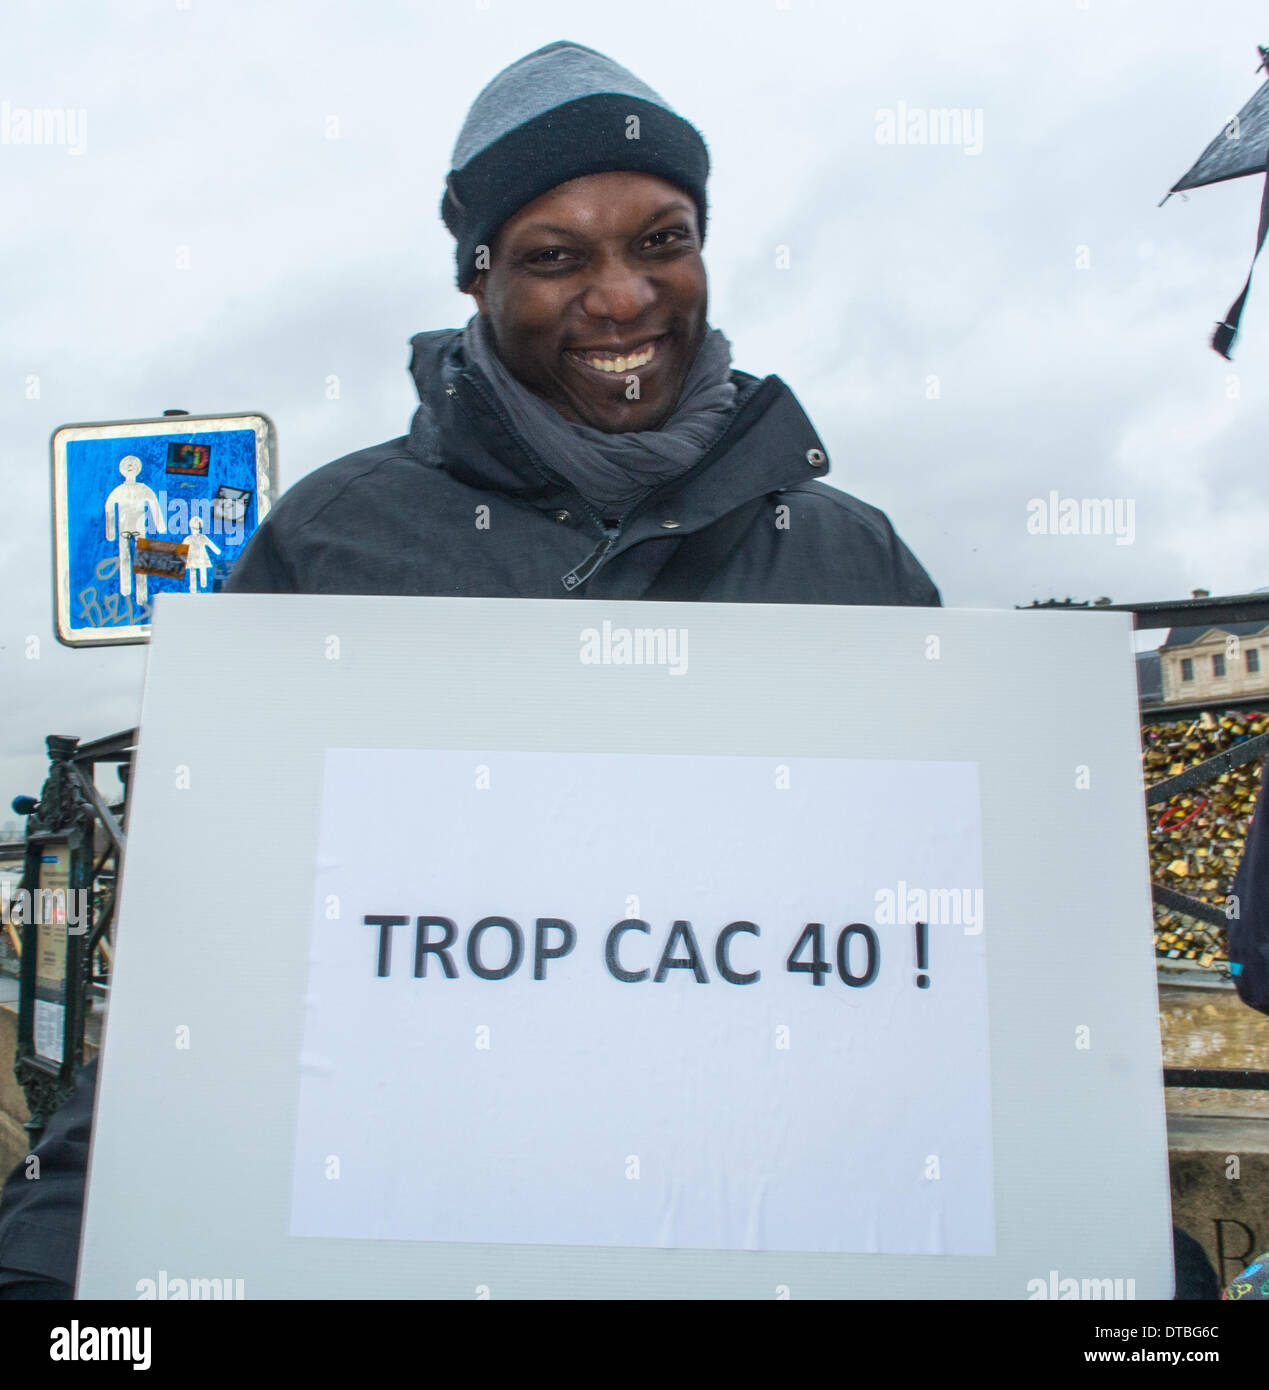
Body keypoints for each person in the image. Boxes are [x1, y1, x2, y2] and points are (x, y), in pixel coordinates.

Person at [0, 39, 938, 1298]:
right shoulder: (336, 542)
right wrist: (76, 1219)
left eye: (662, 240)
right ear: (481, 279)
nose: (623, 297)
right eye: (557, 256)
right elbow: (216, 947)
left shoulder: (848, 554)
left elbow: (943, 951)